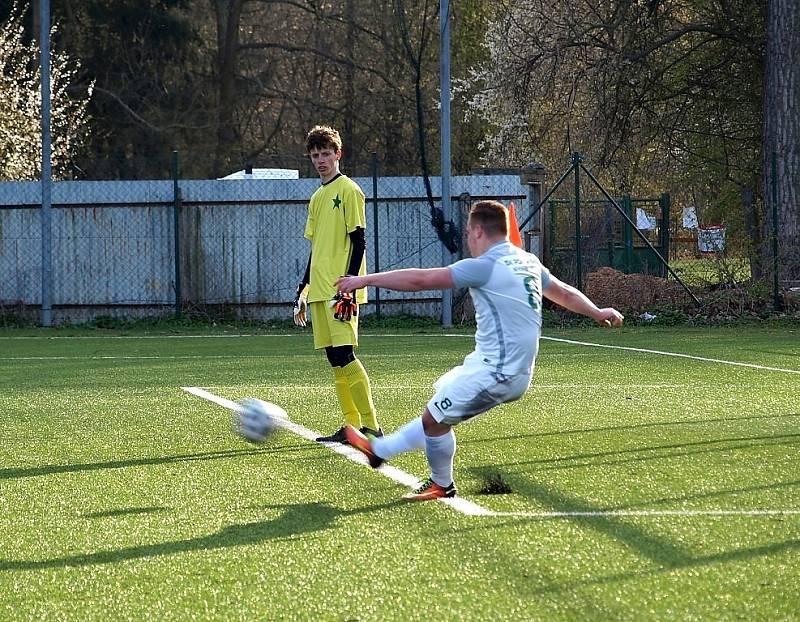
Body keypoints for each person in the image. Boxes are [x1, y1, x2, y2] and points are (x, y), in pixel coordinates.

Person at [336, 200, 623, 501]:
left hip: (499, 373)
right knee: (441, 398)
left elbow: (421, 280)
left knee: (434, 418)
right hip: (496, 366)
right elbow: (563, 292)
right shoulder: (528, 261)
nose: (468, 241)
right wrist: (597, 311)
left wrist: (363, 280)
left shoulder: (485, 266)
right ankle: (383, 452)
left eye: (468, 234)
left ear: (476, 231)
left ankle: (433, 479)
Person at [293, 125, 382, 443]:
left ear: (338, 154)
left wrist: (351, 284)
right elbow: (315, 248)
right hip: (319, 291)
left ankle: (372, 425)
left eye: (325, 154)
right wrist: (303, 288)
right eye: (315, 155)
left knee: (345, 353)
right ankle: (351, 427)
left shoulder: (349, 191)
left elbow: (359, 241)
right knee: (334, 358)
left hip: (342, 290)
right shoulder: (317, 197)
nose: (320, 160)